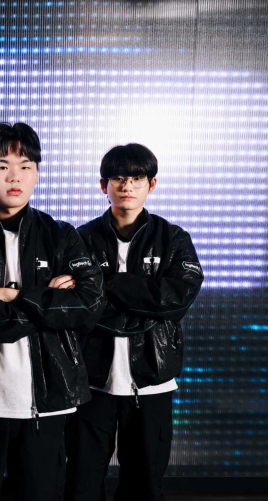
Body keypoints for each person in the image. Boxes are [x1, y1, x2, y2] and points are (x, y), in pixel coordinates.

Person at [0, 122, 104, 501]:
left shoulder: (62, 235)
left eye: (25, 166)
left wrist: (8, 295)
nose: (15, 176)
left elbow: (89, 305)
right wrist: (46, 302)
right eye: (2, 166)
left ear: (37, 174)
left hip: (47, 402)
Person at [65, 143, 204, 501]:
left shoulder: (173, 238)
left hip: (152, 378)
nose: (127, 186)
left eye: (137, 178)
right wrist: (144, 296)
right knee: (82, 480)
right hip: (91, 379)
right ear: (103, 184)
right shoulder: (80, 239)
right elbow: (76, 305)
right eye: (118, 178)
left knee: (145, 483)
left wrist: (109, 283)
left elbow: (177, 298)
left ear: (151, 184)